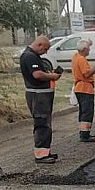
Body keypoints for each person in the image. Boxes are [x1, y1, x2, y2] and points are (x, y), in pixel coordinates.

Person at [19, 35, 62, 164]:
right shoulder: (29, 56)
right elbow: (37, 74)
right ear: (39, 45)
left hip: (40, 94)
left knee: (44, 122)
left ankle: (44, 150)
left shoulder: (33, 56)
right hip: (38, 95)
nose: (46, 52)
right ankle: (41, 154)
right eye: (45, 49)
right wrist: (52, 76)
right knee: (42, 122)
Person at [71, 39, 95, 142]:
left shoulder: (75, 57)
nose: (89, 50)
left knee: (83, 111)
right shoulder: (81, 59)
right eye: (88, 48)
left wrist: (88, 42)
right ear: (84, 49)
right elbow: (87, 74)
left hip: (79, 88)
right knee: (87, 112)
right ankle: (85, 134)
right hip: (85, 88)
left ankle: (83, 132)